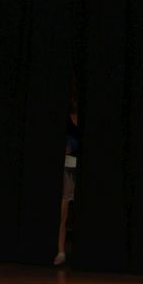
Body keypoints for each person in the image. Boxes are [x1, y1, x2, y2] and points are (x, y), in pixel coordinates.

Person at [54, 90, 81, 266]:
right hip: (67, 168)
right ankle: (61, 251)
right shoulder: (67, 121)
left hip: (77, 167)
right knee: (63, 212)